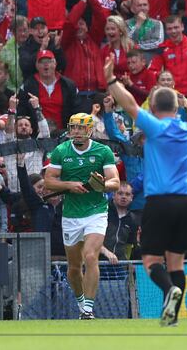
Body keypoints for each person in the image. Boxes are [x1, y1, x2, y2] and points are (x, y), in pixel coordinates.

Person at [104, 56, 187, 326]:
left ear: (155, 108)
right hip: (185, 203)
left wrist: (112, 80)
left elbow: (130, 104)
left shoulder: (156, 128)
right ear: (176, 107)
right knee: (177, 263)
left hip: (159, 202)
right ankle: (170, 316)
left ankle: (168, 290)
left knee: (150, 260)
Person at [44, 113, 120, 319]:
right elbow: (48, 181)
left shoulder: (102, 151)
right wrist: (70, 185)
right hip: (70, 214)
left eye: (80, 128)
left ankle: (87, 309)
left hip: (96, 211)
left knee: (90, 256)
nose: (76, 132)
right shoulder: (61, 151)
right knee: (74, 267)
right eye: (73, 128)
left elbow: (115, 182)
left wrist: (101, 185)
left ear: (90, 130)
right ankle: (80, 303)